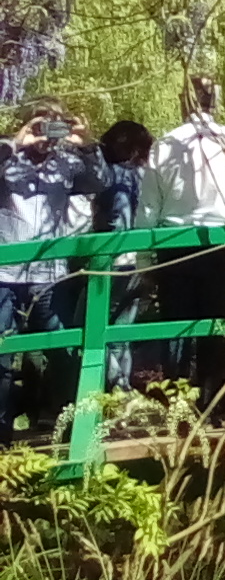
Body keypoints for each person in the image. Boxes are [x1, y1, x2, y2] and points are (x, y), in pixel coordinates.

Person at [137, 77, 225, 416]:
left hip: (173, 245)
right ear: (215, 101)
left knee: (174, 325)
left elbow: (149, 207)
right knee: (215, 324)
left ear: (184, 101)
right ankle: (213, 402)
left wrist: (145, 260)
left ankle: (176, 402)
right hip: (218, 246)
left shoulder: (165, 144)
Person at [0, 98, 106, 440]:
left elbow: (99, 183)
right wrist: (17, 142)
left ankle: (64, 424)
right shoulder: (7, 157)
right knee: (2, 354)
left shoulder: (67, 163)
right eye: (41, 124)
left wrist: (87, 144)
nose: (47, 134)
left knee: (62, 350)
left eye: (54, 125)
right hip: (5, 276)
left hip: (49, 275)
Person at [89, 121, 154, 393]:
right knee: (120, 334)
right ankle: (122, 389)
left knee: (87, 328)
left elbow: (120, 219)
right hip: (140, 260)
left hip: (114, 261)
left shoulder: (116, 175)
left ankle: (118, 389)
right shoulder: (147, 174)